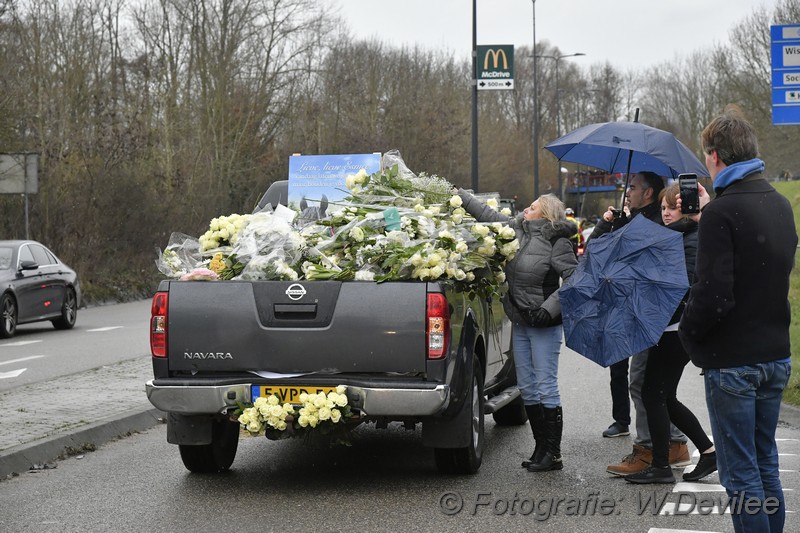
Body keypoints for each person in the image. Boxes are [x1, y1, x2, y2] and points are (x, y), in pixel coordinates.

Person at [679, 106, 796, 532]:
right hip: (775, 354)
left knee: (740, 474)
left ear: (714, 157)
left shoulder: (720, 214)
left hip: (733, 362)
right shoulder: (780, 204)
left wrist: (689, 339)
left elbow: (712, 296)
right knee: (765, 464)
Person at [458, 189, 578, 472]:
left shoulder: (557, 241)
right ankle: (540, 448)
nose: (527, 209)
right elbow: (488, 216)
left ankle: (554, 453)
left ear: (546, 214)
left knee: (545, 383)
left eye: (534, 207)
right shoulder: (517, 230)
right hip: (521, 320)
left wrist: (547, 309)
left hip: (544, 322)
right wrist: (461, 196)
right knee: (526, 385)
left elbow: (574, 279)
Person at [589, 171, 691, 475]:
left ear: (648, 193)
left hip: (652, 317)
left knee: (645, 384)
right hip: (639, 312)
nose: (627, 192)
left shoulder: (654, 224)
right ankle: (671, 443)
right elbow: (598, 250)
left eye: (632, 187)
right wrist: (611, 223)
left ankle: (651, 448)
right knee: (650, 386)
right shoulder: (635, 219)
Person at [624, 182, 716, 484]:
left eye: (670, 208)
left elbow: (683, 288)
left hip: (676, 329)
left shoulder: (690, 238)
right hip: (670, 327)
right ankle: (708, 451)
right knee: (666, 398)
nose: (665, 214)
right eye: (662, 208)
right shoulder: (678, 237)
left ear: (686, 210)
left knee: (653, 394)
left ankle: (662, 466)